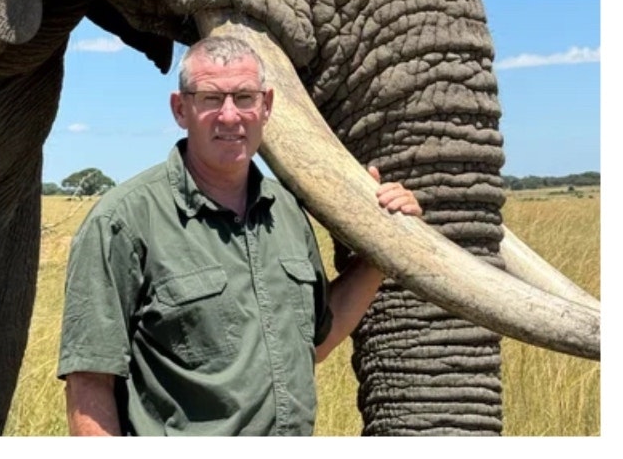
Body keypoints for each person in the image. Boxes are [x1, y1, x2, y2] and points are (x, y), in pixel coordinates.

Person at [57, 35, 421, 436]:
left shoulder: (285, 212)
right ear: (181, 109)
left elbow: (317, 341)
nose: (230, 116)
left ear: (266, 106)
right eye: (211, 99)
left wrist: (378, 251)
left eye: (244, 98)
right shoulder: (123, 221)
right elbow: (89, 381)